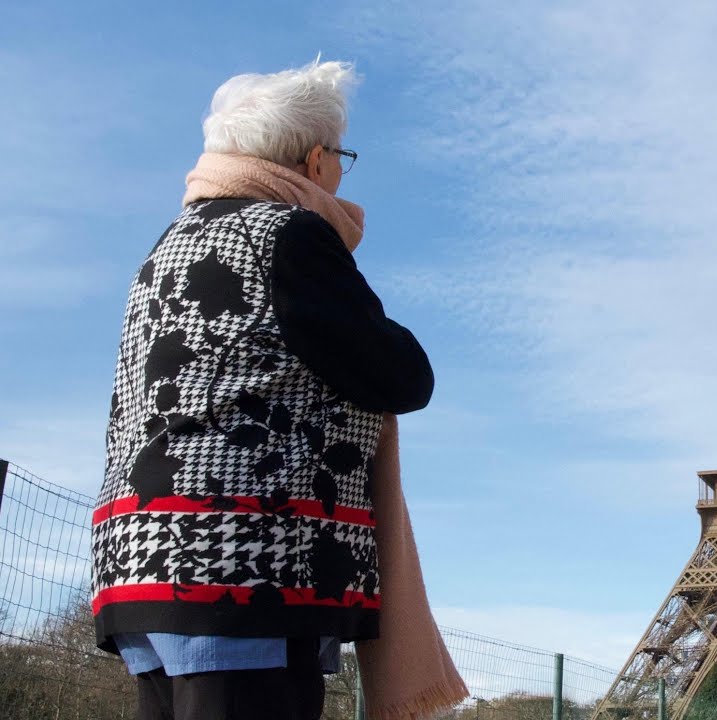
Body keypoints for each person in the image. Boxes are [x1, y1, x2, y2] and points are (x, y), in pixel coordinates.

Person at [91, 59, 456, 720]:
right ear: (315, 160)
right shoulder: (288, 236)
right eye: (341, 156)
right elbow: (402, 376)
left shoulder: (167, 244)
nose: (342, 173)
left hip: (139, 560)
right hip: (243, 564)